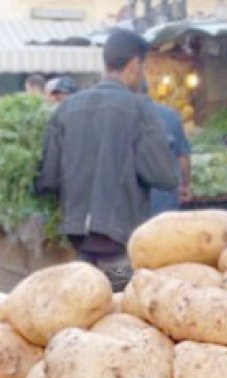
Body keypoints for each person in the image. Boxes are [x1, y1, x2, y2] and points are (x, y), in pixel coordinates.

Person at [37, 29, 179, 291]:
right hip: (120, 242)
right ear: (135, 65)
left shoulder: (66, 108)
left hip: (79, 239)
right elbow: (165, 175)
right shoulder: (139, 109)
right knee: (118, 306)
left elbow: (49, 178)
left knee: (88, 305)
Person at [149, 102, 191, 216]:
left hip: (131, 205)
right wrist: (185, 185)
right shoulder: (170, 115)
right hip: (165, 199)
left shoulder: (120, 116)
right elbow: (182, 158)